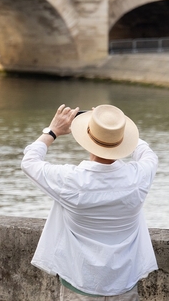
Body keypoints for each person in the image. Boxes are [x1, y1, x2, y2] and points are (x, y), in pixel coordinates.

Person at [21, 104, 158, 300]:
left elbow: (29, 162)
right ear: (123, 141)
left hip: (80, 281)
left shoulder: (71, 181)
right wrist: (117, 127)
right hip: (124, 282)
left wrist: (52, 131)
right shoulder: (138, 178)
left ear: (86, 139)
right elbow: (148, 154)